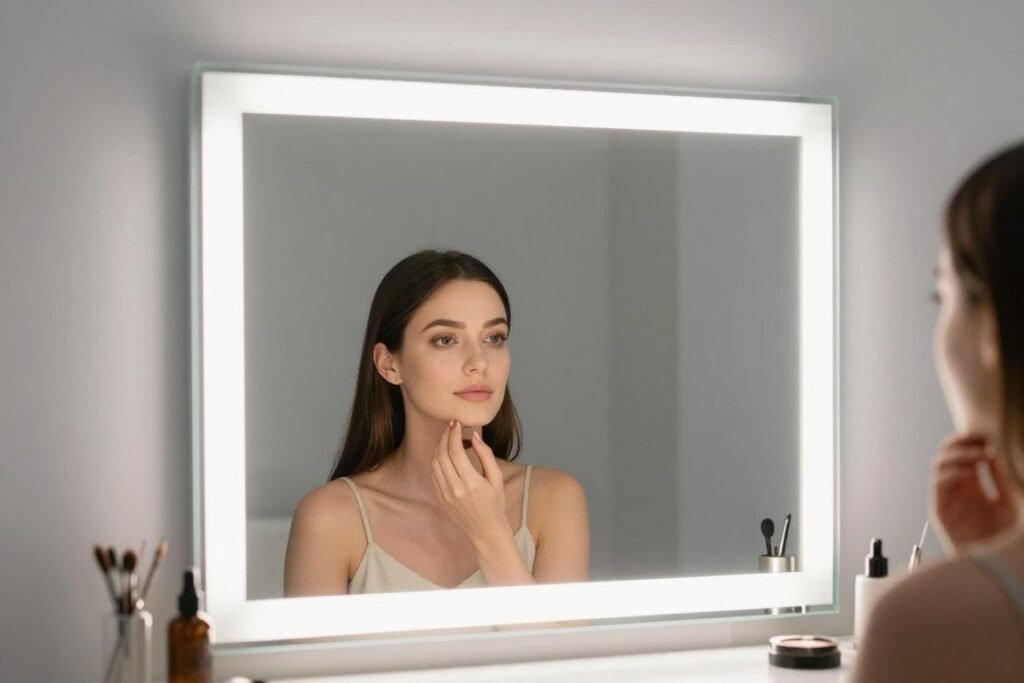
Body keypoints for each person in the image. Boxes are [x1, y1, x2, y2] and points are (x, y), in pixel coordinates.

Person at [283, 249, 590, 597]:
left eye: (494, 338)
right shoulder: (329, 518)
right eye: (446, 340)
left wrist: (488, 530)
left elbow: (558, 651)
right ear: (388, 365)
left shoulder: (554, 500)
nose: (479, 363)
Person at [854, 142, 1024, 681]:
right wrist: (987, 556)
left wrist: (980, 577)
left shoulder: (920, 623)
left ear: (991, 326)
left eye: (940, 296)